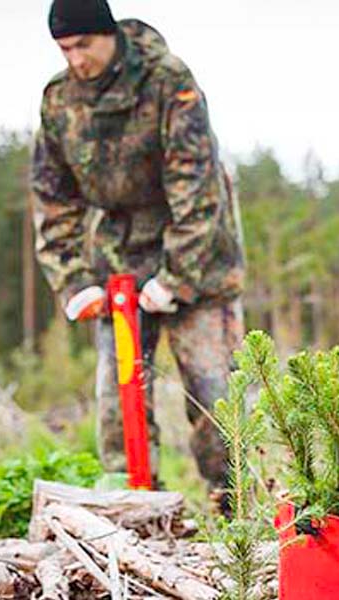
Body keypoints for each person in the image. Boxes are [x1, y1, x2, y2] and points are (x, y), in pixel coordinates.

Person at [31, 0, 245, 497]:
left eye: (84, 44)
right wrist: (74, 281)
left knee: (216, 398)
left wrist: (176, 277)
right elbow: (51, 196)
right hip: (119, 266)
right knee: (119, 399)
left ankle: (236, 513)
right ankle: (136, 515)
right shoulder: (60, 100)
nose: (76, 58)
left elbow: (199, 186)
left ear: (109, 35)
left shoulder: (168, 81)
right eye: (65, 49)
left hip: (198, 261)